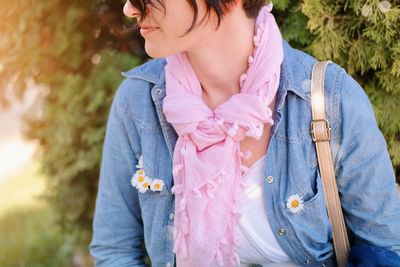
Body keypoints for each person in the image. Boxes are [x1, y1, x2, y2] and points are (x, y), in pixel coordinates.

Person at [89, 0, 400, 266]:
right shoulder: (138, 103)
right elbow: (115, 250)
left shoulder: (329, 99)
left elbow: (385, 250)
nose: (130, 8)